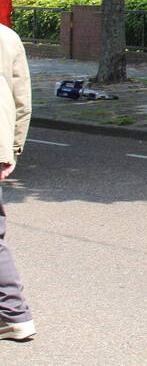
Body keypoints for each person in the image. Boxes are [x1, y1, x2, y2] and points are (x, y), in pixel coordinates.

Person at [0, 24, 35, 341]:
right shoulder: (8, 37)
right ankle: (15, 315)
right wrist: (11, 149)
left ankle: (14, 315)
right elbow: (22, 100)